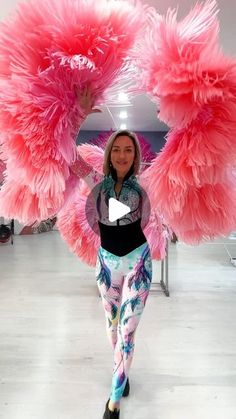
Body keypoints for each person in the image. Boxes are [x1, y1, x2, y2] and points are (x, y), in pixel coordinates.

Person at [71, 87, 153, 419]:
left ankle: (114, 401)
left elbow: (120, 213)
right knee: (112, 324)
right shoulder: (97, 181)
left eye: (127, 150)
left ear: (135, 156)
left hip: (138, 265)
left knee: (128, 330)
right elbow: (68, 156)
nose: (121, 155)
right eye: (116, 149)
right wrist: (78, 116)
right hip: (106, 263)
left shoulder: (143, 185)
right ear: (109, 154)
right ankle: (121, 367)